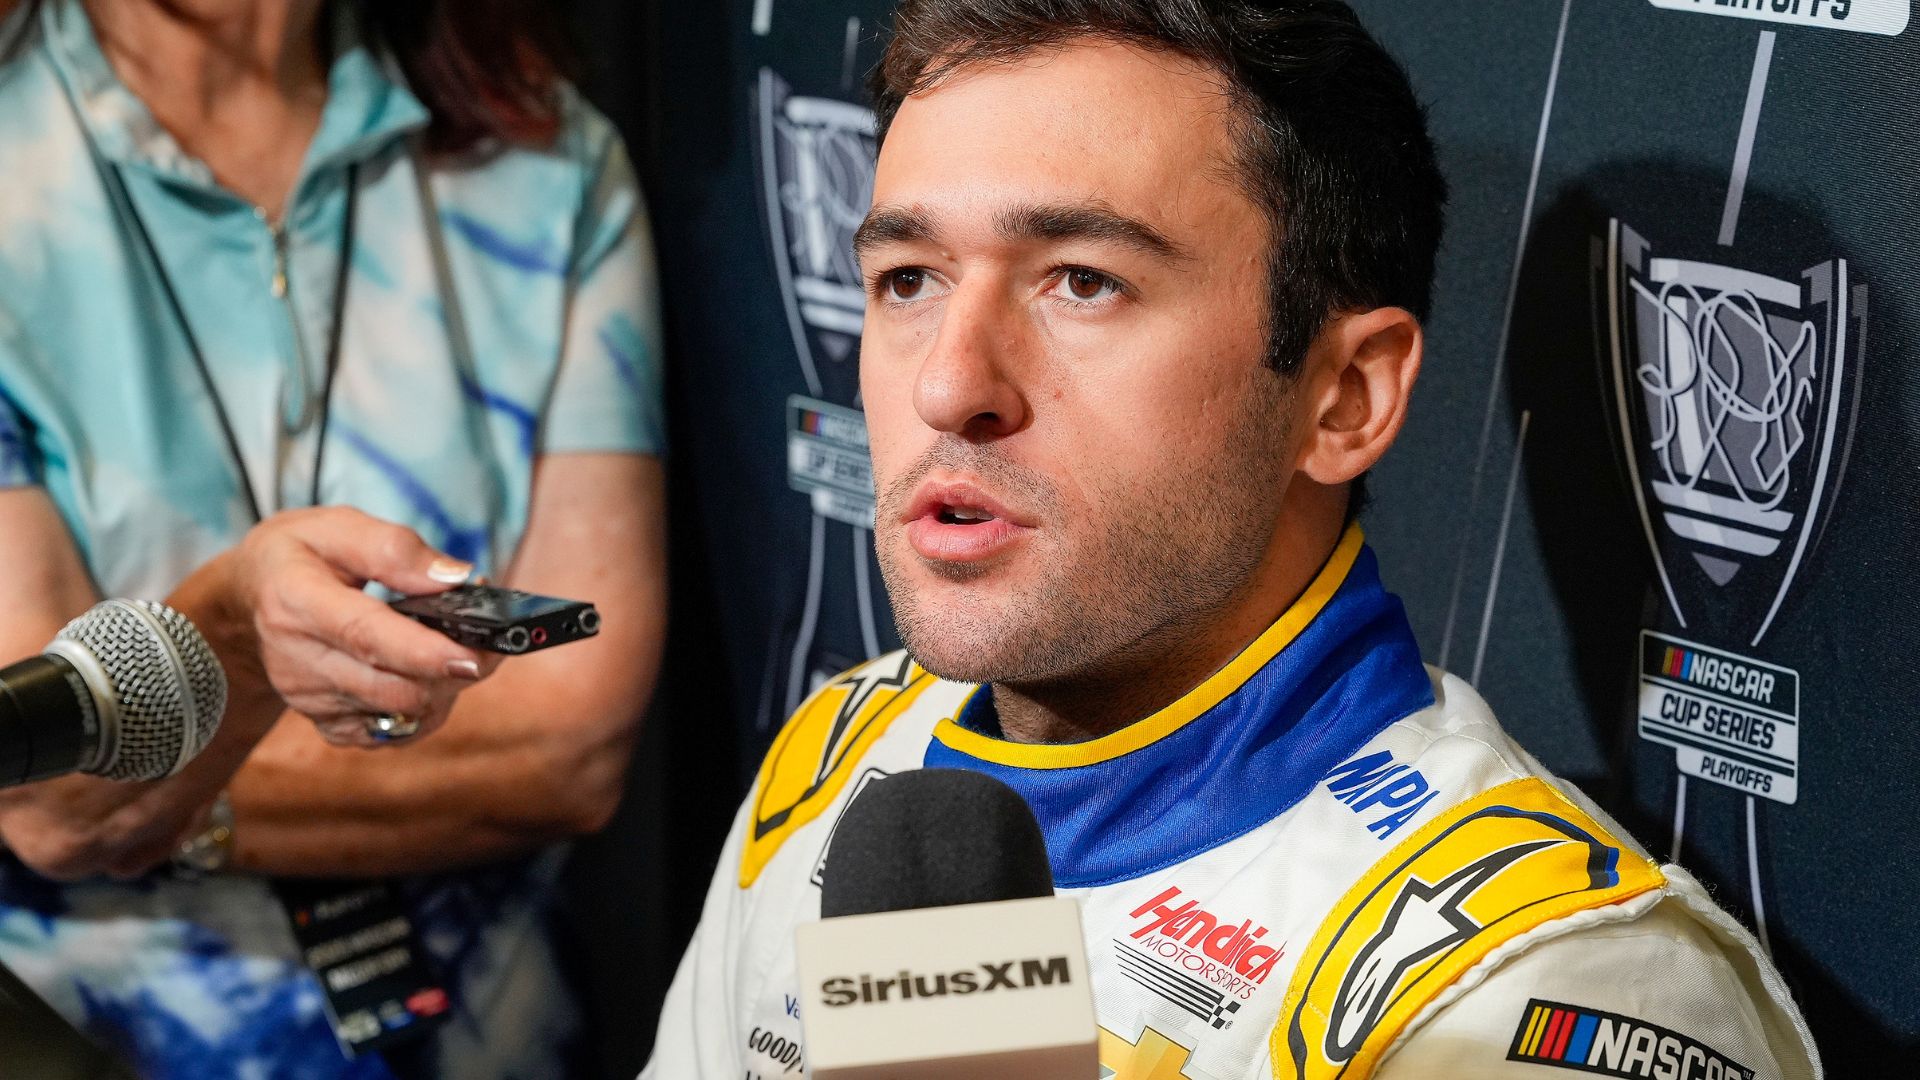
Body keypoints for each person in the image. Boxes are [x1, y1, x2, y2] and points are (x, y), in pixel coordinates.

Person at [643, 1, 1822, 1077]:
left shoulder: (1533, 986)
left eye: (1083, 282)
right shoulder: (846, 755)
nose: (950, 387)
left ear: (1344, 398)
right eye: (909, 279)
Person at [0, 0, 666, 1077]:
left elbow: (570, 748)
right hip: (93, 1041)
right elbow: (44, 776)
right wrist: (235, 638)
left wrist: (169, 797)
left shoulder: (544, 155)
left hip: (497, 1038)